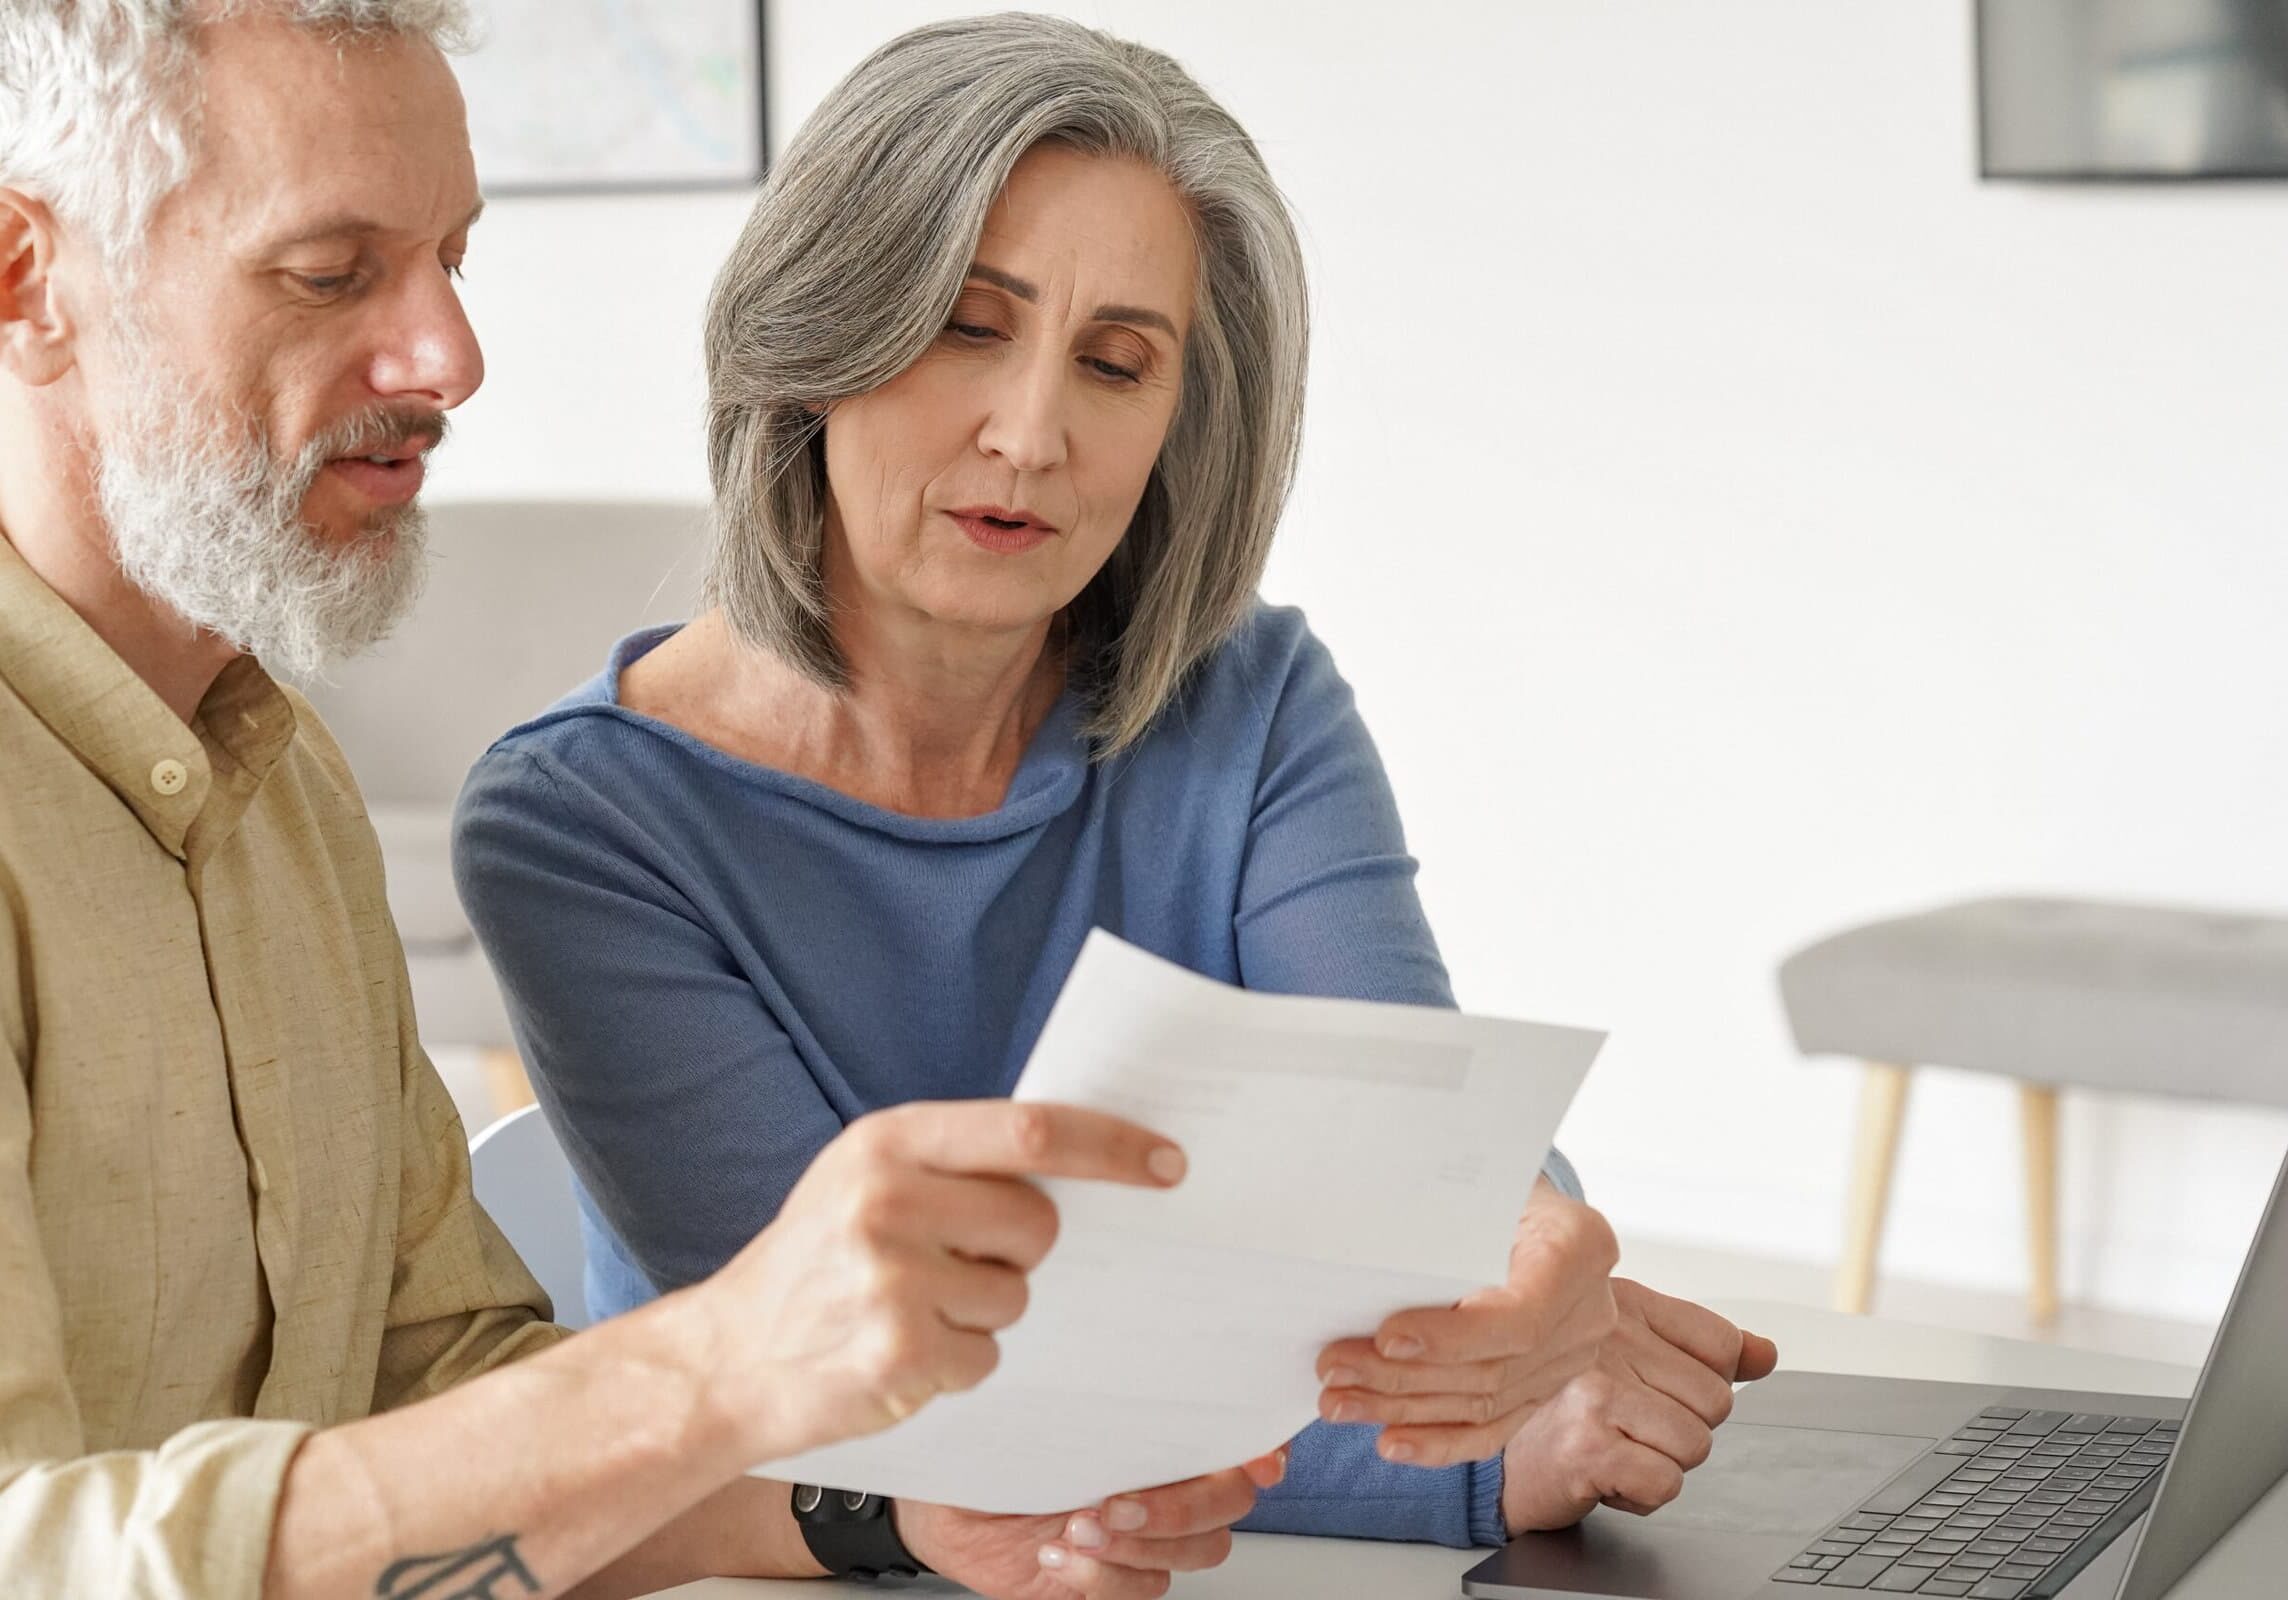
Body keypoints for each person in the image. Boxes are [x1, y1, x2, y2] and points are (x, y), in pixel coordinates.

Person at [454, 13, 1781, 1595]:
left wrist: (1525, 1272)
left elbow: (1413, 1167)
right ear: (817, 339)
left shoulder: (1253, 697)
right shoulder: (578, 827)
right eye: (964, 325)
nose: (1033, 432)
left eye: (1115, 362)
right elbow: (871, 1404)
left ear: (1180, 425)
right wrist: (1481, 1453)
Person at [0, 5, 1281, 1597]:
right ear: (26, 278)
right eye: (331, 273)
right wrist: (722, 1363)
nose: (449, 361)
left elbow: (450, 1398)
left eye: (452, 264)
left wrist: (865, 1513)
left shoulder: (287, 795)